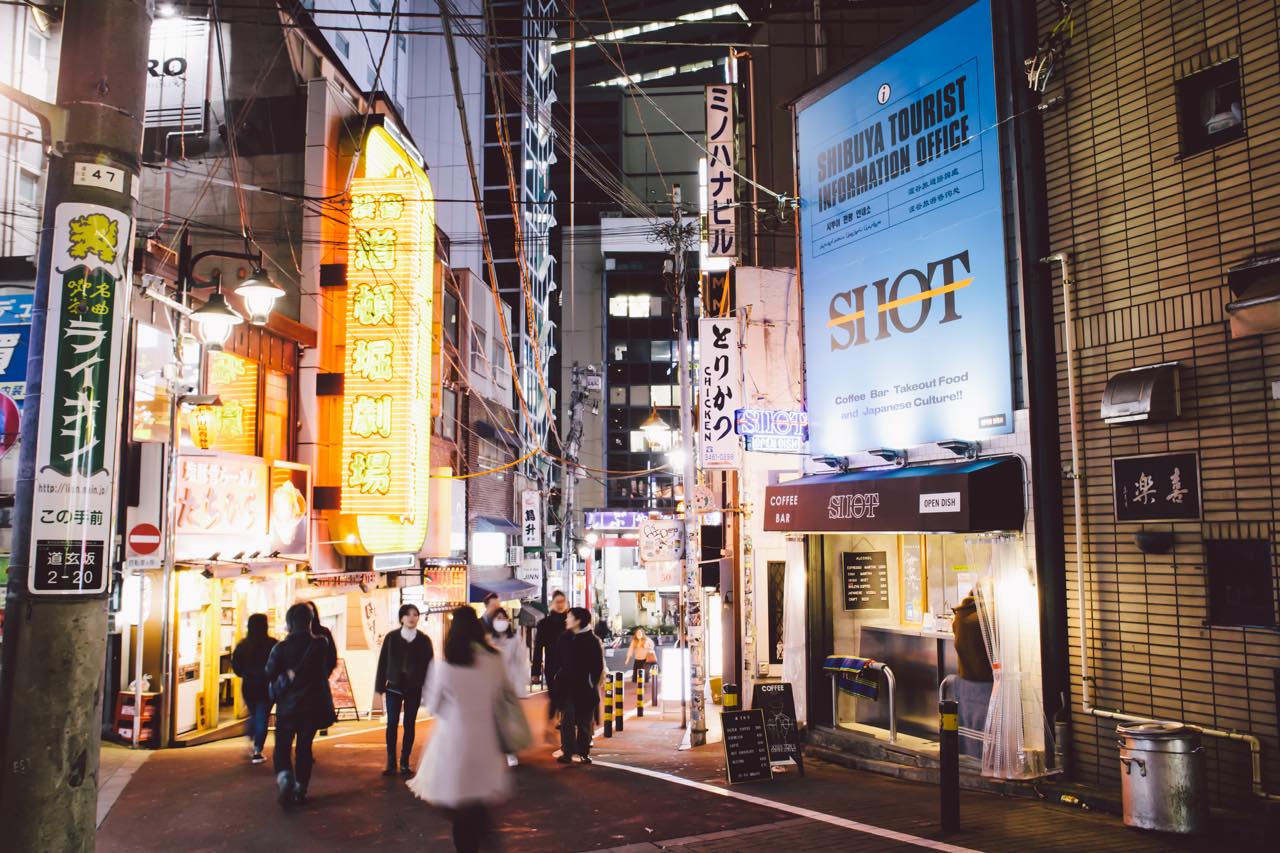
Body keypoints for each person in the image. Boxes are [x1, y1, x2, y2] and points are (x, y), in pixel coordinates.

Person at [408, 606, 513, 852]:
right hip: (487, 740)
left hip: (453, 742)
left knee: (460, 809)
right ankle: (488, 841)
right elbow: (501, 696)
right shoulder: (495, 660)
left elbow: (433, 705)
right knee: (478, 805)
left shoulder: (444, 666)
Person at [266, 602, 336, 807]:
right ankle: (300, 787)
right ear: (309, 622)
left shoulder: (280, 648)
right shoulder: (320, 644)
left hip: (287, 707)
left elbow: (269, 672)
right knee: (304, 748)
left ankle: (285, 776)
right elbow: (328, 665)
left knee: (282, 746)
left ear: (289, 623)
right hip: (312, 706)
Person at [375, 603, 435, 776]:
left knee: (409, 724)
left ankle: (405, 761)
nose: (412, 617)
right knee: (392, 723)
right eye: (408, 614)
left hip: (414, 687)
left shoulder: (424, 640)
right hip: (393, 686)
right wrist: (380, 687)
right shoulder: (391, 638)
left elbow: (430, 666)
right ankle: (390, 761)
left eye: (415, 614)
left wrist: (430, 688)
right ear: (401, 618)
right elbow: (383, 663)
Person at [553, 606, 604, 765]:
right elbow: (557, 660)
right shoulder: (564, 638)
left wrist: (591, 681)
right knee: (567, 720)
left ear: (578, 620)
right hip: (567, 686)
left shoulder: (592, 640)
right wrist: (558, 676)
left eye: (569, 617)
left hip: (585, 688)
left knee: (584, 721)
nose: (566, 619)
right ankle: (567, 752)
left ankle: (583, 752)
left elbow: (597, 666)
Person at [951, 590, 994, 759]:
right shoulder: (988, 616)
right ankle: (986, 759)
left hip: (965, 677)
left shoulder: (960, 615)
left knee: (968, 724)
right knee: (986, 726)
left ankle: (968, 756)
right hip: (986, 678)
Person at [231, 613, 277, 764]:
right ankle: (257, 750)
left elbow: (236, 666)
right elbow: (278, 663)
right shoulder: (272, 644)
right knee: (262, 715)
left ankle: (250, 739)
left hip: (249, 685)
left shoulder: (243, 644)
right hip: (266, 685)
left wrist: (245, 673)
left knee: (254, 713)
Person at [488, 606, 528, 767]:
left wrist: (520, 685)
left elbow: (520, 662)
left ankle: (510, 752)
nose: (501, 621)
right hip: (490, 685)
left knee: (509, 721)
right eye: (497, 618)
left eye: (503, 618)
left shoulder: (515, 639)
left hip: (508, 685)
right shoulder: (488, 639)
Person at [304, 600, 338, 737]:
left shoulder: (323, 632)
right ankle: (305, 748)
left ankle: (320, 727)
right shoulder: (295, 634)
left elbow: (332, 654)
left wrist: (326, 672)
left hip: (319, 677)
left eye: (311, 611)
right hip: (304, 680)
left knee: (317, 707)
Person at [531, 590, 568, 692]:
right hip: (552, 666)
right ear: (552, 604)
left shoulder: (572, 622)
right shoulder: (544, 624)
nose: (560, 604)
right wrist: (535, 672)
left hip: (570, 667)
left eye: (563, 601)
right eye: (558, 602)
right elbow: (538, 648)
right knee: (555, 697)